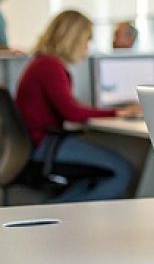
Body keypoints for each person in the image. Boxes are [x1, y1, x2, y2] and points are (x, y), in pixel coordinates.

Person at [15, 10, 139, 202]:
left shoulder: (42, 63)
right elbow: (72, 112)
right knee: (121, 171)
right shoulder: (49, 66)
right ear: (73, 39)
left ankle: (59, 215)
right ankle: (55, 217)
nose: (86, 46)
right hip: (45, 146)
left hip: (41, 143)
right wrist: (119, 112)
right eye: (85, 40)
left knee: (99, 174)